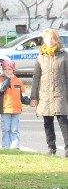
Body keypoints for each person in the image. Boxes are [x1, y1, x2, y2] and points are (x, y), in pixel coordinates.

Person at [30, 28, 68, 157]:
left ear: (56, 39)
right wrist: (34, 96)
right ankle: (51, 148)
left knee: (63, 121)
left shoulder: (64, 55)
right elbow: (36, 77)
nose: (50, 41)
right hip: (45, 94)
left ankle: (67, 148)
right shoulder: (41, 57)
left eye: (52, 38)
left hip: (60, 93)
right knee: (47, 121)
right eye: (47, 38)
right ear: (44, 40)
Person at [0, 59, 27, 150]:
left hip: (16, 109)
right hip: (6, 109)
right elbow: (1, 89)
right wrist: (7, 79)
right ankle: (5, 146)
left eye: (9, 69)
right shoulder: (1, 80)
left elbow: (23, 95)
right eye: (5, 69)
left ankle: (15, 146)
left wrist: (30, 100)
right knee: (6, 129)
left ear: (13, 70)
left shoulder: (18, 81)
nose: (7, 71)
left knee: (15, 130)